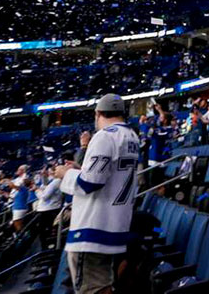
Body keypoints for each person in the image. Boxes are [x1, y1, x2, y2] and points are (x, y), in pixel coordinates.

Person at [55, 94, 139, 294]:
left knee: (92, 289)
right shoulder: (131, 136)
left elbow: (89, 183)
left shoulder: (104, 136)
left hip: (94, 228)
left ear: (98, 113)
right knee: (103, 286)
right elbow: (109, 175)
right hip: (115, 223)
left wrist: (65, 174)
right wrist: (80, 168)